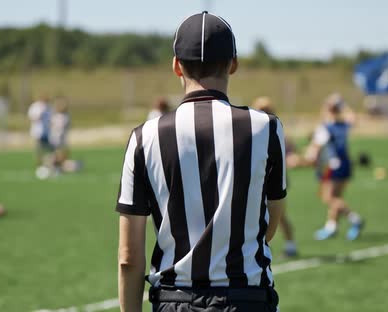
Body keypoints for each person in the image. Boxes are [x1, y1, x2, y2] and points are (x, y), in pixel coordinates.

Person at [116, 12, 285, 312]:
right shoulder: (266, 128)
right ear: (234, 64)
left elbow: (129, 256)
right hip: (247, 299)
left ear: (176, 66)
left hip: (175, 301)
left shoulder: (144, 137)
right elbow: (271, 222)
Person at [302, 93, 364, 241]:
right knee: (337, 197)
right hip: (345, 164)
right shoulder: (342, 125)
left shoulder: (325, 127)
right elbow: (353, 118)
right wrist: (343, 104)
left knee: (328, 197)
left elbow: (316, 148)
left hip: (331, 166)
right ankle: (332, 227)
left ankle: (355, 219)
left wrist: (307, 158)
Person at [252, 96, 297, 257]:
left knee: (278, 213)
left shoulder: (275, 128)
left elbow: (291, 150)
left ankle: (290, 243)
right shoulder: (255, 127)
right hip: (259, 177)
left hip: (274, 177)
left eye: (265, 109)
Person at [28, 95, 52, 166]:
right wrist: (40, 115)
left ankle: (47, 162)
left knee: (49, 149)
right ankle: (39, 163)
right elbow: (32, 117)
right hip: (37, 131)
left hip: (47, 131)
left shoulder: (48, 106)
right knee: (39, 148)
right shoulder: (35, 106)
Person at [49, 97, 71, 170]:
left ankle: (58, 166)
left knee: (61, 153)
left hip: (59, 138)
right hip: (57, 138)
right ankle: (56, 167)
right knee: (59, 153)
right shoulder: (59, 117)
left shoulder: (64, 116)